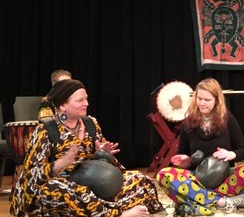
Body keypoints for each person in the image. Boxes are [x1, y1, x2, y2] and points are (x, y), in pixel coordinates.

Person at [10, 79, 164, 216]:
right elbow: (32, 178)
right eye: (80, 100)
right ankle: (117, 214)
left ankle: (110, 210)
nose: (86, 103)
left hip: (91, 183)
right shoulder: (45, 131)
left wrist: (103, 154)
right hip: (62, 186)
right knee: (62, 192)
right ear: (63, 105)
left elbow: (99, 164)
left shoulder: (91, 124)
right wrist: (62, 163)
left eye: (86, 99)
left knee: (139, 180)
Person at [156, 78, 244, 216]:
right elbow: (183, 155)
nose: (202, 103)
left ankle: (195, 203)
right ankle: (223, 202)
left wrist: (232, 154)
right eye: (199, 98)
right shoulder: (188, 123)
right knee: (164, 175)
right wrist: (186, 161)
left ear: (217, 101)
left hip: (224, 179)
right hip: (197, 182)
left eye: (207, 99)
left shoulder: (228, 119)